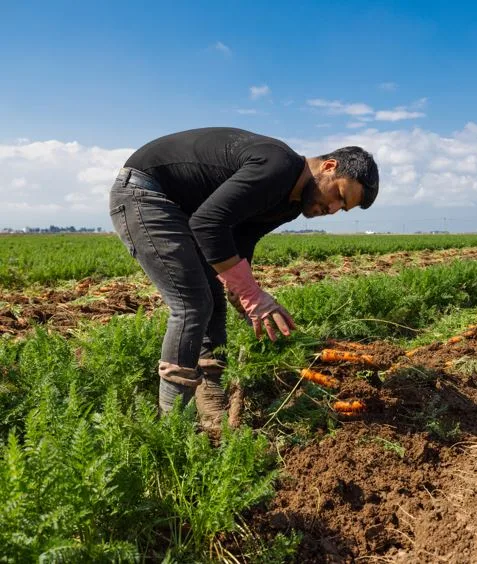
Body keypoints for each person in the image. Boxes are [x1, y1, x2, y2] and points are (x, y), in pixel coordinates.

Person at [108, 128, 379, 430]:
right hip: (146, 193)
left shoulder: (290, 204)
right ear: (329, 167)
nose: (332, 209)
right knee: (192, 304)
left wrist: (238, 287)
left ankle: (209, 395)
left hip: (183, 208)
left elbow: (240, 236)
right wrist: (251, 294)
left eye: (343, 209)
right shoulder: (279, 167)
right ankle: (171, 428)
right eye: (339, 195)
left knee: (212, 296)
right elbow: (207, 223)